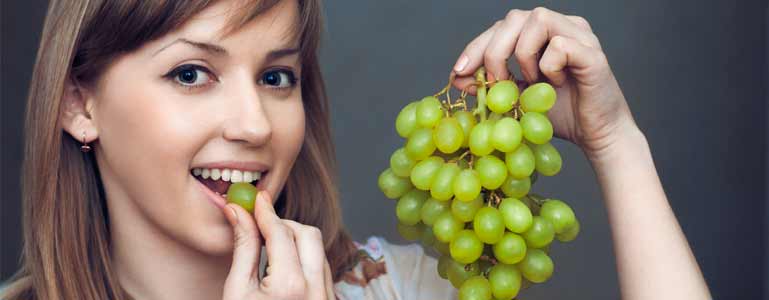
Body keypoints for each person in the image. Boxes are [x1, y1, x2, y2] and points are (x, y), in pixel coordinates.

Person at [1, 0, 711, 299]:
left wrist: (616, 143)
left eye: (277, 76)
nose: (254, 125)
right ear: (78, 104)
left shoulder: (395, 287)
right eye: (192, 73)